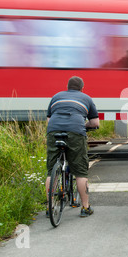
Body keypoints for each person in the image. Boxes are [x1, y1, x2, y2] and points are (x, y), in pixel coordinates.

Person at [46, 76, 99, 217]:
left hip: (53, 131)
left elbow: (49, 119)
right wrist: (84, 125)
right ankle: (85, 207)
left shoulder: (56, 97)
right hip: (75, 132)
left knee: (51, 171)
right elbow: (95, 123)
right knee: (81, 172)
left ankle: (49, 207)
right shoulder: (86, 98)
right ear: (82, 88)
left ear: (67, 87)